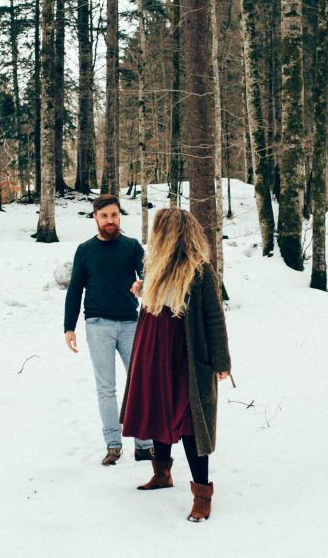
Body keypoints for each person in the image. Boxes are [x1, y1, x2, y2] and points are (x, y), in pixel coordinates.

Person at [120, 208, 231, 522]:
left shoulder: (201, 270)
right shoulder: (154, 265)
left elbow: (214, 318)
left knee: (189, 420)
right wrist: (143, 290)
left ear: (171, 234)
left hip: (184, 353)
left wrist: (222, 361)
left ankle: (202, 495)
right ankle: (162, 474)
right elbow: (160, 301)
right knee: (157, 409)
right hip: (152, 347)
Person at [64, 194, 155, 466]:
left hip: (130, 323)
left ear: (119, 216)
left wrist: (143, 284)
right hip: (98, 324)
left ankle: (144, 444)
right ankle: (113, 444)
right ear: (95, 218)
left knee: (140, 383)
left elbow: (150, 274)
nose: (110, 220)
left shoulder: (131, 247)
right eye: (104, 216)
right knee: (106, 388)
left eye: (114, 215)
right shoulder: (85, 250)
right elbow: (75, 289)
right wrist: (69, 327)